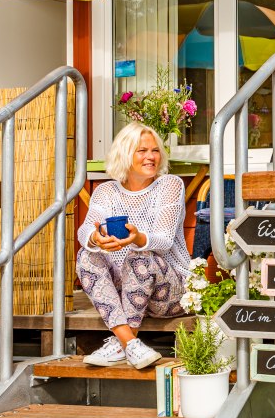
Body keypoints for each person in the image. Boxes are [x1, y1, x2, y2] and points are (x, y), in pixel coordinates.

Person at [76, 122, 190, 369]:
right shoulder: (106, 191)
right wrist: (97, 239)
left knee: (139, 256)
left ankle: (120, 343)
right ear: (125, 154)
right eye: (142, 150)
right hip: (123, 293)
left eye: (155, 150)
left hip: (167, 294)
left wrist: (137, 238)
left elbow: (165, 239)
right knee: (86, 255)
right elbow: (85, 229)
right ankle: (130, 344)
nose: (151, 156)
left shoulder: (170, 185)